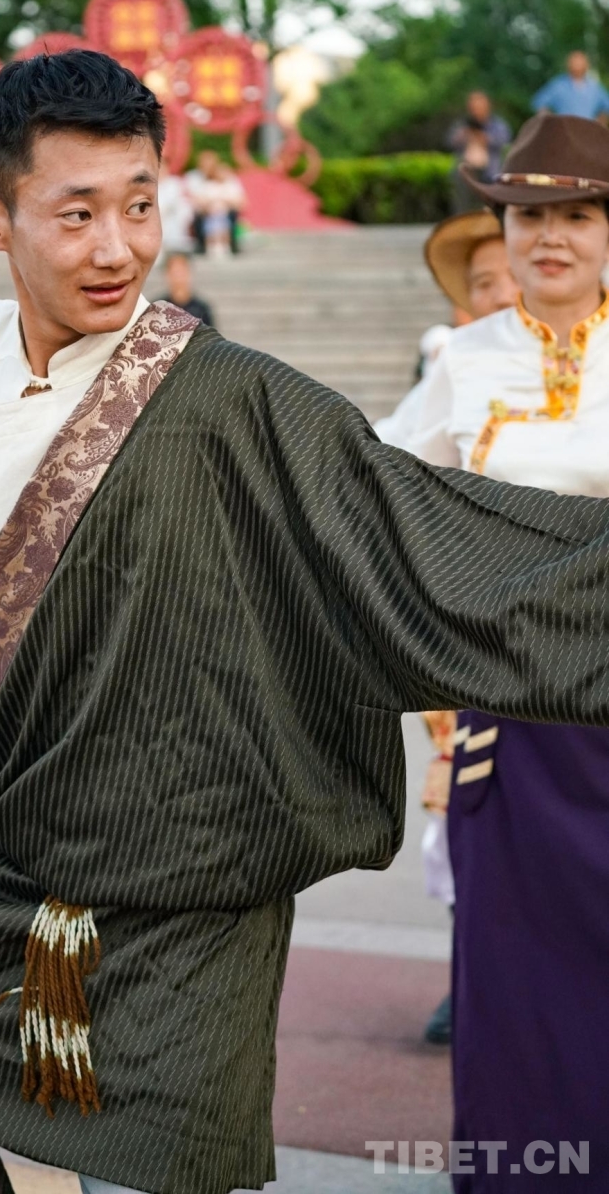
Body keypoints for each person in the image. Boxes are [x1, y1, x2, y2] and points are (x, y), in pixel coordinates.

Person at [0, 54, 609, 1194]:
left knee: (145, 1180)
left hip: (188, 871)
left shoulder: (236, 400)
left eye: (139, 206)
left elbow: (428, 538)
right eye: (76, 213)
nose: (116, 247)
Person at [408, 113, 609, 1191]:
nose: (551, 237)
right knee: (517, 984)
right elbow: (379, 491)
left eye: (577, 215)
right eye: (530, 218)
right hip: (516, 722)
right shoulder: (465, 359)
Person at [376, 210, 522, 1046]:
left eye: (508, 276)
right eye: (483, 283)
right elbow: (389, 460)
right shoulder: (459, 365)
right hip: (482, 640)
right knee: (471, 807)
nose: (499, 293)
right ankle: (475, 972)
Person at [374, 210, 520, 450]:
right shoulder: (456, 365)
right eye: (484, 283)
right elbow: (388, 444)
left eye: (517, 277)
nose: (504, 297)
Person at [447, 93, 512, 214]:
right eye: (473, 107)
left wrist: (485, 139)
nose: (476, 110)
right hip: (466, 171)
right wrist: (464, 135)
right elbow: (450, 142)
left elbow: (504, 140)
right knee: (463, 205)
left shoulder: (497, 124)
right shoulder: (462, 124)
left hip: (490, 171)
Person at [186, 150, 246, 256]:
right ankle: (207, 244)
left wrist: (224, 203)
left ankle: (226, 244)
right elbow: (195, 199)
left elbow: (241, 201)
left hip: (225, 211)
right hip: (205, 213)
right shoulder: (194, 178)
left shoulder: (229, 180)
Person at [533, 50, 609, 122]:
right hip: (564, 128)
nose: (577, 66)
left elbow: (607, 105)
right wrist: (551, 122)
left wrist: (599, 123)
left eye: (580, 63)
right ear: (568, 65)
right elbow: (539, 102)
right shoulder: (559, 85)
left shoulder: (594, 87)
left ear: (586, 65)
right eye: (574, 63)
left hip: (588, 129)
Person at [158, 251, 215, 327]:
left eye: (181, 271)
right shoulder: (157, 309)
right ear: (167, 274)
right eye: (175, 271)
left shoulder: (201, 309)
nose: (178, 276)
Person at [157, 159, 195, 255]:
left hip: (174, 220)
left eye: (163, 168)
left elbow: (182, 203)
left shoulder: (175, 183)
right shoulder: (149, 185)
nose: (161, 171)